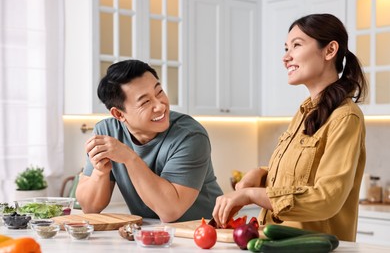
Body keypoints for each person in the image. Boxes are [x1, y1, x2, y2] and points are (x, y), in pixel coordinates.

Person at [212, 13, 367, 242]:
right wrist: (261, 174)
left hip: (313, 247)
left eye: (296, 45)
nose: (286, 57)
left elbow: (326, 199)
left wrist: (251, 195)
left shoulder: (346, 118)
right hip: (276, 243)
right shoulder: (305, 112)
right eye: (286, 48)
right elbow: (299, 175)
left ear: (330, 50)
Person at [76, 59, 223, 223]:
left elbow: (170, 210)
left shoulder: (190, 136)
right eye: (145, 102)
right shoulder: (107, 132)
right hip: (152, 231)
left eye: (159, 92)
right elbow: (89, 208)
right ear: (119, 114)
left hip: (204, 232)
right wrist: (100, 172)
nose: (160, 106)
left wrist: (129, 158)